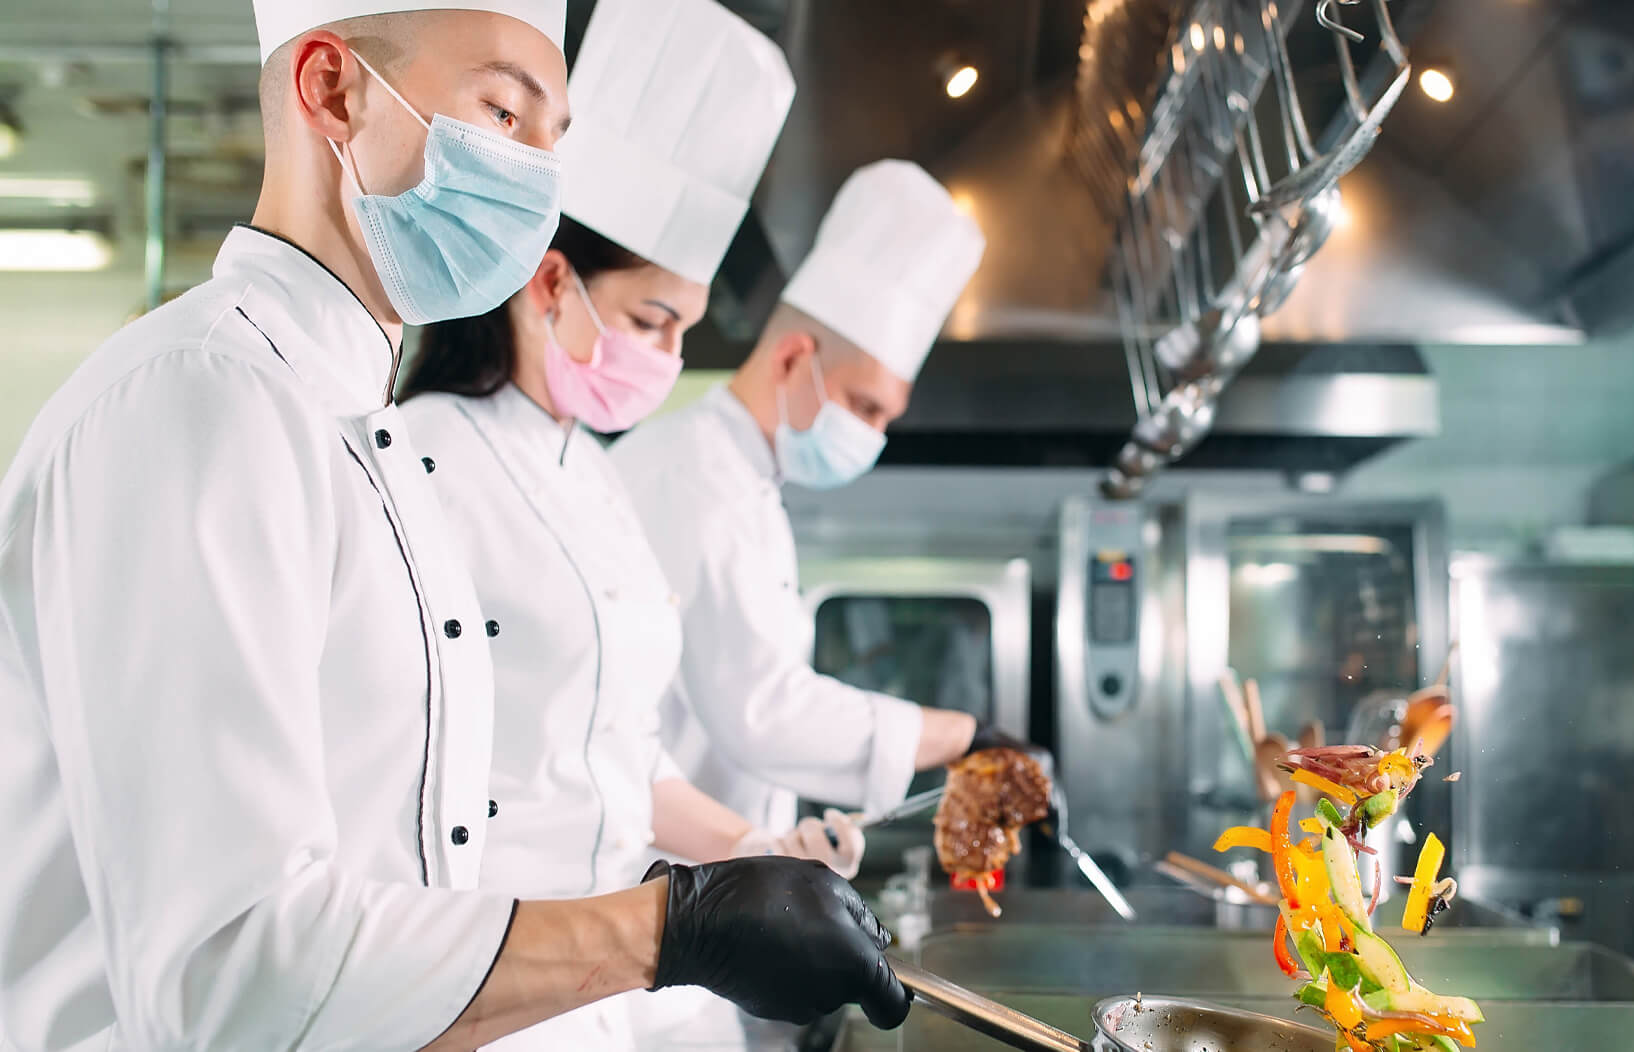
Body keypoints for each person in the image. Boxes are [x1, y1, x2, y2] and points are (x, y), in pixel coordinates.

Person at [0, 2, 907, 1049]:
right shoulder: (203, 397)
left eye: (553, 141)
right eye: (504, 116)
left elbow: (413, 868)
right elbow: (231, 973)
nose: (536, 185)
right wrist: (673, 928)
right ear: (332, 90)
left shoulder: (360, 426)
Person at [397, 2, 862, 1047]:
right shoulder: (425, 456)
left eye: (685, 331)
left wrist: (759, 850)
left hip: (630, 980)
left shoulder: (593, 475)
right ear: (552, 279)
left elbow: (625, 759)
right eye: (652, 321)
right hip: (495, 982)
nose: (665, 356)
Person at [610, 161, 1036, 840]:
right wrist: (962, 733)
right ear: (790, 360)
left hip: (713, 871)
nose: (871, 435)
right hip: (655, 876)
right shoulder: (691, 477)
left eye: (885, 418)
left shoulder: (748, 484)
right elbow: (763, 712)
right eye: (864, 405)